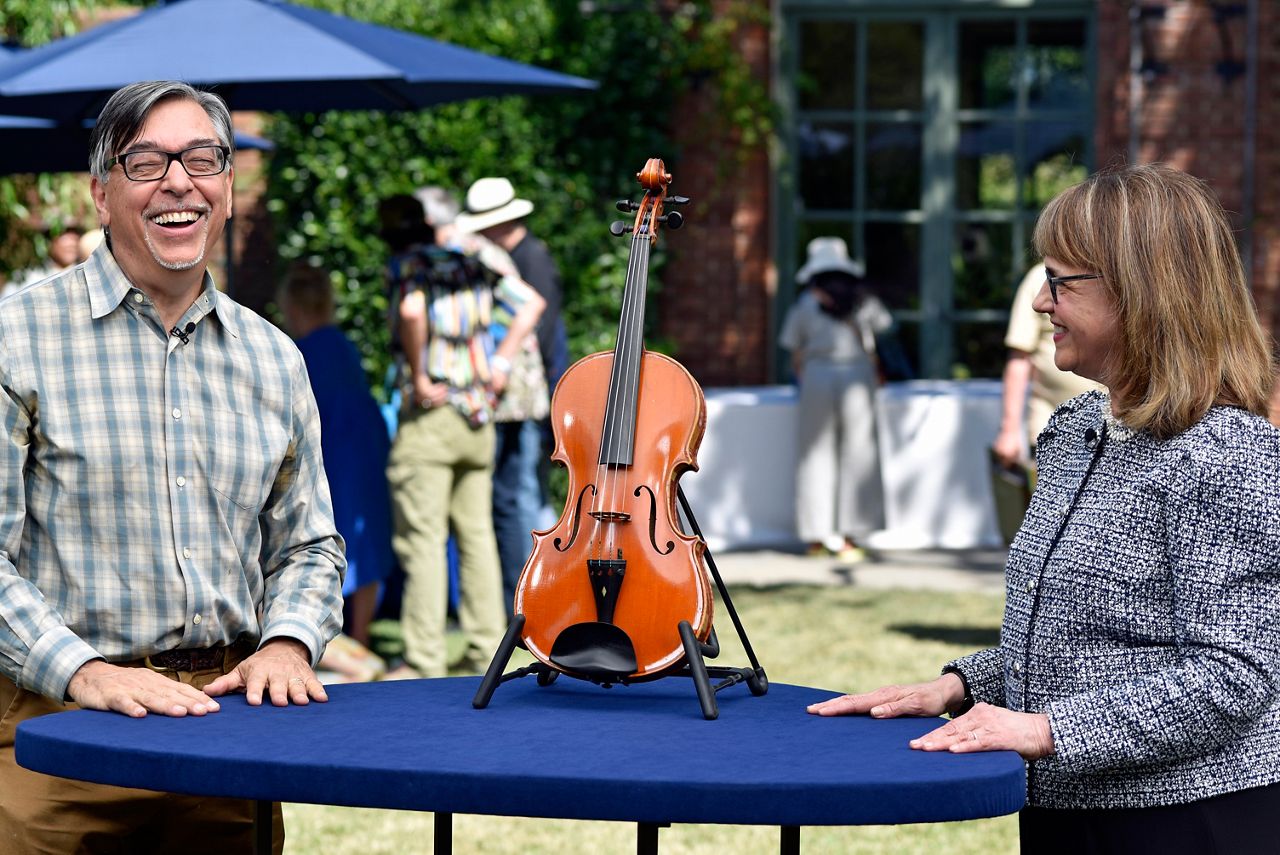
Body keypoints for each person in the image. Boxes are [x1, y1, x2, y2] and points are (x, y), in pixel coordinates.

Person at [808, 164, 1280, 853]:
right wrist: (960, 684)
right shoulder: (1077, 430)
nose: (1040, 303)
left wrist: (1041, 730)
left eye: (1059, 281)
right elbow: (1089, 642)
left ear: (1141, 293)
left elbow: (1233, 676)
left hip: (1189, 820)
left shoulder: (1229, 454)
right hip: (1065, 806)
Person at [0, 81, 345, 852]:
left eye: (202, 158)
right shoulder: (15, 338)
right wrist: (84, 671)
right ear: (100, 192)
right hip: (58, 732)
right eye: (146, 161)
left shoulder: (273, 356)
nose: (179, 181)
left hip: (229, 733)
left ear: (225, 188)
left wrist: (288, 642)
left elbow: (310, 545)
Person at [381, 194, 544, 679]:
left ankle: (425, 658)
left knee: (424, 540)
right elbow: (531, 303)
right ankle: (484, 651)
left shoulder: (408, 265)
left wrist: (419, 372)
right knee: (477, 537)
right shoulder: (473, 263)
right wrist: (499, 362)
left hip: (432, 416)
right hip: (478, 417)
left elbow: (411, 312)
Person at [279, 263, 395, 682]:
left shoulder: (297, 349)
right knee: (367, 539)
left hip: (329, 451)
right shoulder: (343, 345)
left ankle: (336, 638)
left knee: (325, 535)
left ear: (291, 305)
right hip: (363, 448)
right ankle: (360, 636)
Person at [456, 177, 563, 610]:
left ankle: (528, 596)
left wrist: (498, 364)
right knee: (519, 495)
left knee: (518, 498)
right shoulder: (517, 255)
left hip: (522, 396)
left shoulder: (528, 259)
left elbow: (541, 325)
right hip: (524, 392)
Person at [778, 236, 892, 561]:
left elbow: (795, 351)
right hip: (857, 374)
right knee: (860, 453)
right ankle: (850, 536)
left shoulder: (805, 303)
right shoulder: (863, 301)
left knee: (815, 455)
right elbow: (883, 331)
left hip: (817, 375)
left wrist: (803, 378)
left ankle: (816, 536)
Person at [1, 223, 83, 298]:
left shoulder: (85, 274)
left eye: (75, 238)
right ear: (48, 242)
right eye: (65, 238)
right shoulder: (28, 277)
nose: (72, 244)